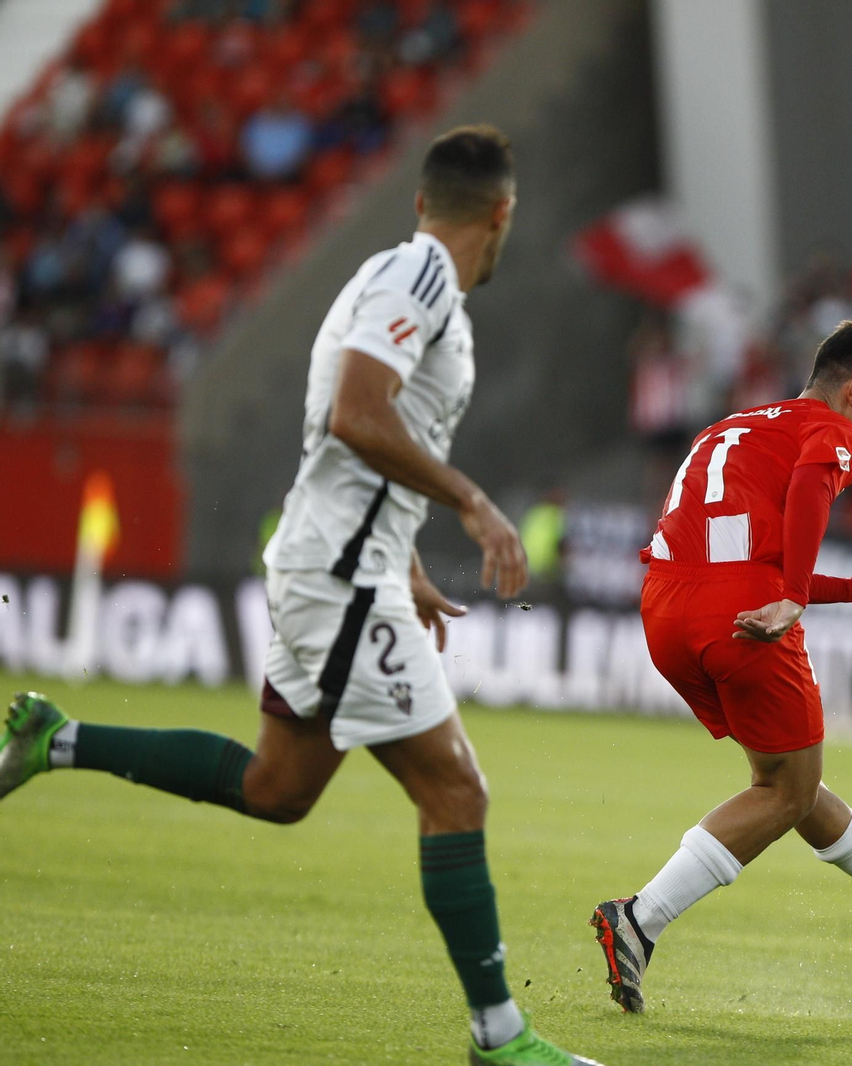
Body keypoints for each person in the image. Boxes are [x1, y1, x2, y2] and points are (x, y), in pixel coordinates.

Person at [0, 125, 602, 1066]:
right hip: (338, 578)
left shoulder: (387, 276)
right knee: (456, 791)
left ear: (419, 200)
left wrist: (406, 556)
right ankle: (500, 1036)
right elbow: (354, 416)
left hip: (344, 564)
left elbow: (351, 445)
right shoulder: (425, 280)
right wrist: (474, 505)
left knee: (277, 788)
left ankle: (55, 738)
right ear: (503, 214)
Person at [589, 319, 852, 1014]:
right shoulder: (831, 431)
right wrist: (788, 598)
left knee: (788, 785)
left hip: (665, 608)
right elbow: (814, 485)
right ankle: (640, 920)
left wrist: (842, 588)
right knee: (784, 793)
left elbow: (732, 549)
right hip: (744, 617)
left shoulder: (736, 426)